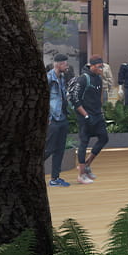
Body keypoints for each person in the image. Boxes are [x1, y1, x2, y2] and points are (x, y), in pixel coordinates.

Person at [71, 56, 110, 184]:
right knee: (84, 143)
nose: (101, 69)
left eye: (102, 66)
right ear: (91, 66)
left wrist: (100, 112)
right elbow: (75, 100)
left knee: (104, 138)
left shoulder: (98, 78)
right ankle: (81, 175)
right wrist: (86, 115)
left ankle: (87, 164)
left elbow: (97, 98)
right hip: (85, 116)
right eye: (99, 67)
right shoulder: (83, 79)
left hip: (97, 115)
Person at [44, 54, 74, 188]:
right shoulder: (48, 78)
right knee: (48, 149)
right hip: (53, 120)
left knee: (60, 149)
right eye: (65, 64)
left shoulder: (62, 77)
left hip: (62, 118)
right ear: (58, 64)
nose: (67, 67)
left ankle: (55, 178)